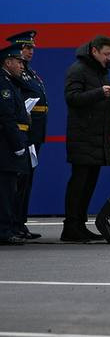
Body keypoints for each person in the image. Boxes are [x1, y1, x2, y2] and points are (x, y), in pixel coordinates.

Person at [62, 35, 110, 242]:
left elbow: (105, 105)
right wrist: (100, 92)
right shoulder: (78, 69)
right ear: (94, 51)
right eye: (106, 54)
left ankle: (80, 225)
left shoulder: (102, 72)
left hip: (98, 136)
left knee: (89, 184)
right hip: (82, 135)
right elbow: (72, 98)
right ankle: (71, 226)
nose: (109, 58)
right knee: (79, 183)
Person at [7, 30, 46, 240]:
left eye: (31, 48)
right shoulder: (14, 75)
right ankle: (12, 224)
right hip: (22, 133)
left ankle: (20, 222)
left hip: (34, 132)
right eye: (26, 48)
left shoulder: (29, 73)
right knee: (17, 181)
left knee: (26, 181)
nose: (30, 52)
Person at [0, 43, 33, 245]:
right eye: (18, 61)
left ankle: (9, 226)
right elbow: (7, 118)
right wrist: (18, 144)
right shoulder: (3, 85)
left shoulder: (11, 82)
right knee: (5, 189)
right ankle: (4, 230)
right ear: (8, 62)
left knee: (11, 188)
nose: (22, 65)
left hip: (13, 141)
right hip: (7, 145)